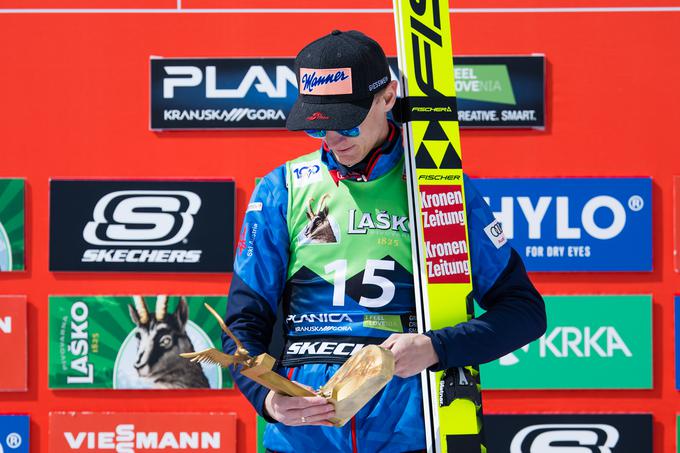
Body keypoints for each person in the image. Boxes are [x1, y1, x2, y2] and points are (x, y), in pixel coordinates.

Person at [223, 29, 546, 453]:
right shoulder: (282, 188)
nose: (333, 141)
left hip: (413, 428)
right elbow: (242, 325)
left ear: (388, 97)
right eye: (318, 127)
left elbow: (524, 312)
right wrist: (266, 398)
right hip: (304, 435)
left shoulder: (440, 188)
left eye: (347, 123)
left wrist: (436, 347)